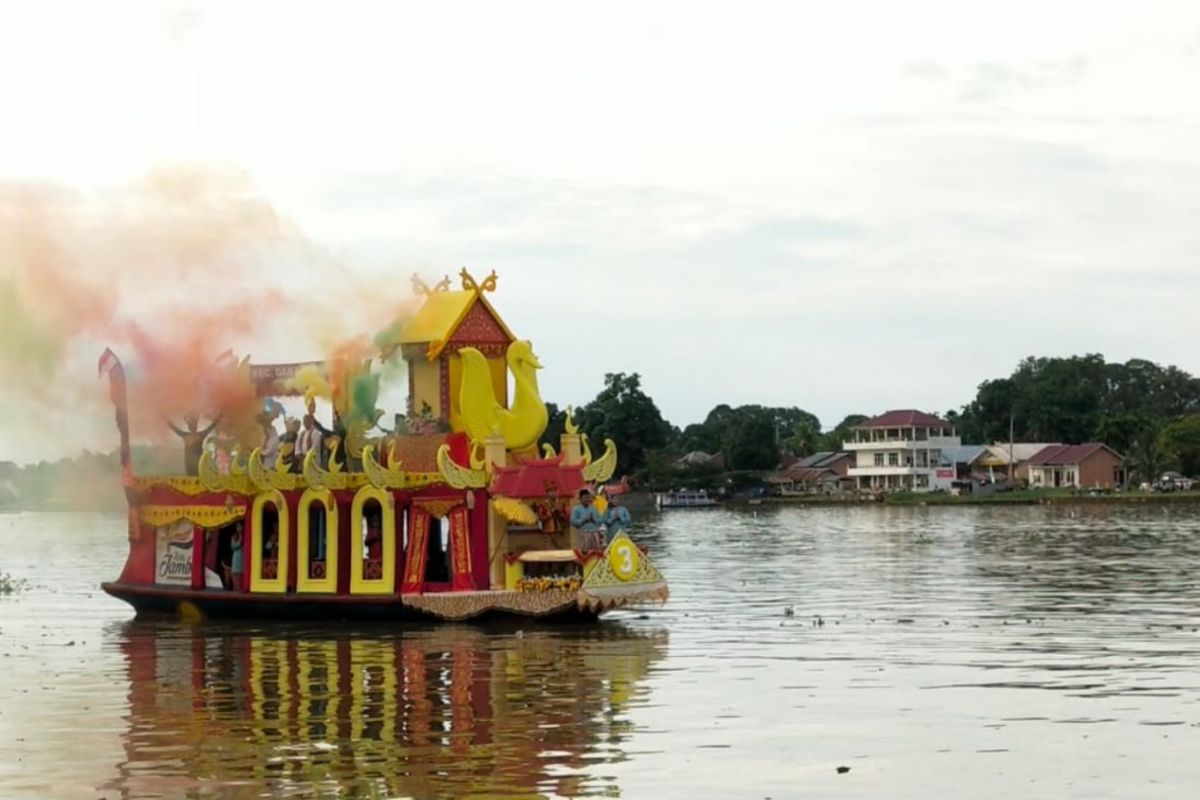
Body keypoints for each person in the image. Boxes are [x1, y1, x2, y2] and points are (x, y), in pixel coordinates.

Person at [229, 525, 244, 590]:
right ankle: (236, 589)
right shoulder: (234, 536)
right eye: (238, 527)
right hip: (237, 556)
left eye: (240, 526)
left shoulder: (246, 534)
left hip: (243, 556)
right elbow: (234, 546)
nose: (239, 528)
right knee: (235, 574)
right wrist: (240, 536)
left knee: (241, 574)